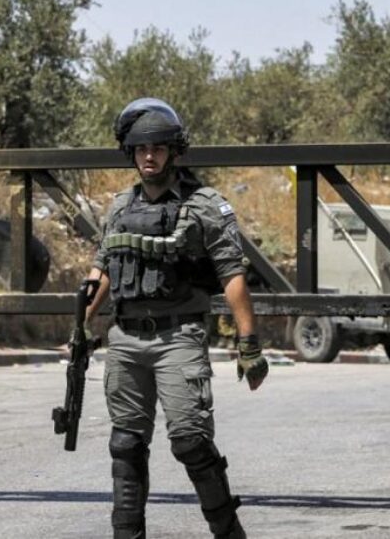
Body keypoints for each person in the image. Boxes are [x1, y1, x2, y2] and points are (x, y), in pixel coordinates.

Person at [82, 97, 268, 539]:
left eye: (159, 148)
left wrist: (249, 344)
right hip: (125, 339)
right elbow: (102, 268)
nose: (150, 156)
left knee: (191, 442)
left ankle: (228, 533)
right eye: (142, 149)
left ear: (174, 152)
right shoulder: (120, 206)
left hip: (177, 337)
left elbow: (232, 275)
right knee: (125, 445)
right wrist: (82, 323)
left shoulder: (204, 205)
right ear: (131, 153)